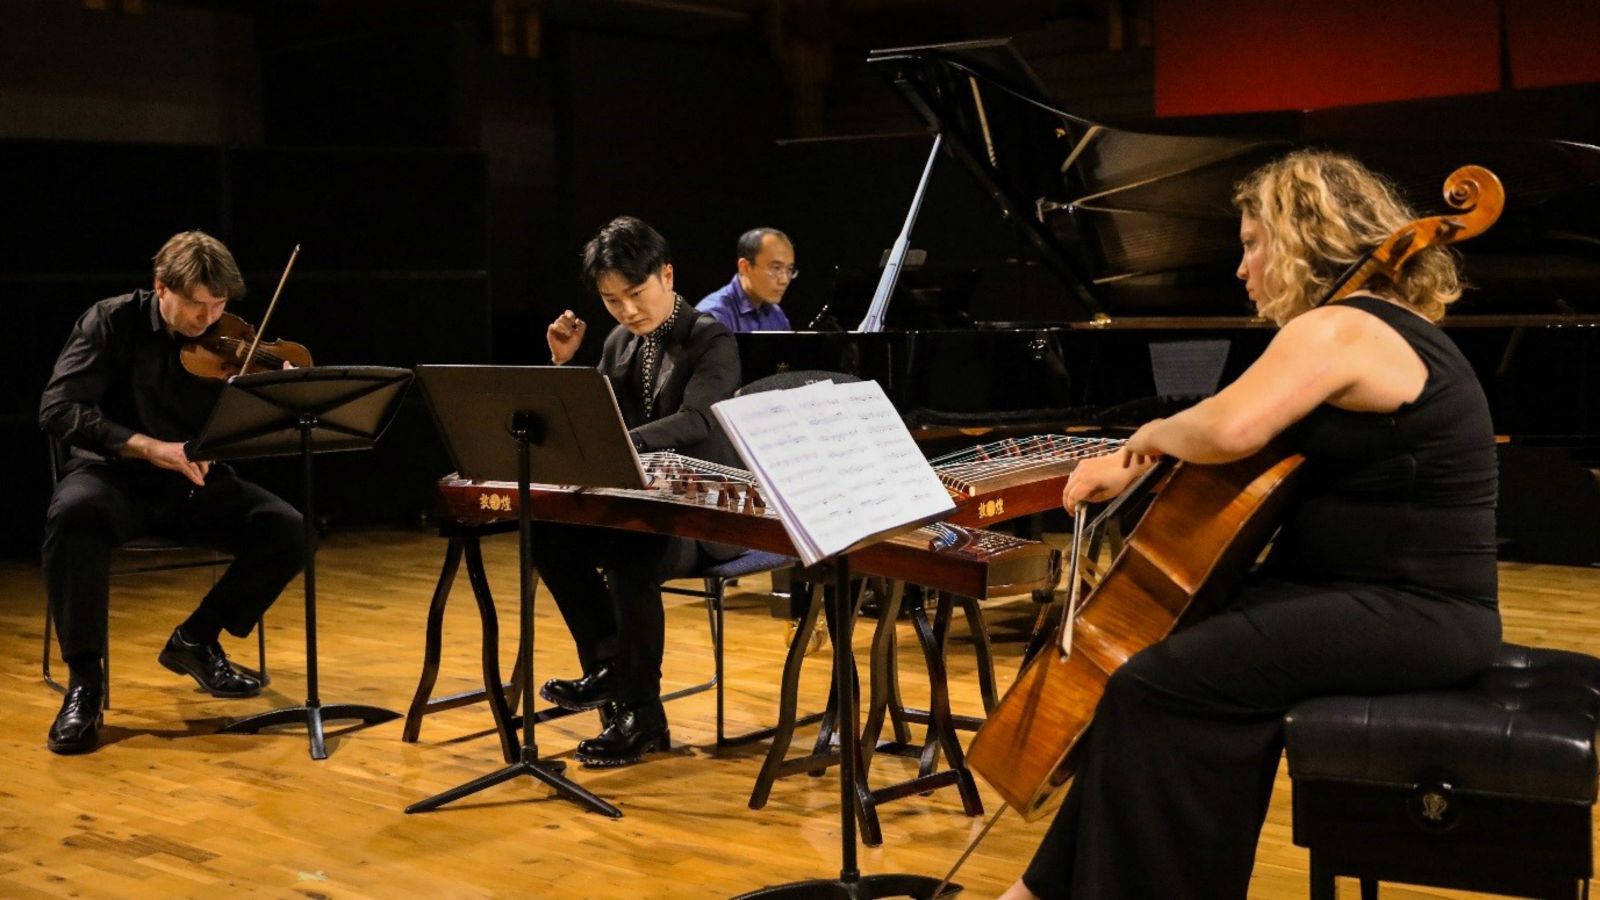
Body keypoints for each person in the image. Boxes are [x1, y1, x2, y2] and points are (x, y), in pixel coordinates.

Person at [1003, 150, 1502, 899]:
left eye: (1252, 243)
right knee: (1152, 686)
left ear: (1304, 235)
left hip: (1411, 609)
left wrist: (1141, 440)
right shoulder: (1370, 324)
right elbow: (1236, 431)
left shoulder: (1341, 327)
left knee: (1155, 686)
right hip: (1365, 597)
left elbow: (1231, 428)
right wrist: (1136, 458)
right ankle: (1041, 893)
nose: (1242, 269)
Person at [39, 230, 306, 756]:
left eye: (220, 305)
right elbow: (59, 409)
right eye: (196, 305)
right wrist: (146, 446)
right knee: (73, 516)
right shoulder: (111, 321)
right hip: (113, 476)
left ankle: (196, 641)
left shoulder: (231, 343)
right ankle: (85, 686)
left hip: (194, 481)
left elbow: (246, 429)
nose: (208, 320)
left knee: (288, 530)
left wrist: (277, 396)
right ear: (161, 287)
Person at [538, 215, 742, 767]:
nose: (627, 311)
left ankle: (641, 710)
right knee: (548, 534)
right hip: (640, 504)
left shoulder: (710, 338)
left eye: (635, 293)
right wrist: (566, 364)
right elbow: (588, 418)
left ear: (667, 275)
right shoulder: (618, 343)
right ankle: (608, 667)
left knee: (632, 548)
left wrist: (620, 443)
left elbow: (698, 419)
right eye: (611, 300)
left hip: (705, 514)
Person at [695, 227, 795, 332]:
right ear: (745, 267)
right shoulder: (714, 316)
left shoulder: (776, 315)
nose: (784, 280)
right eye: (776, 268)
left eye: (789, 269)